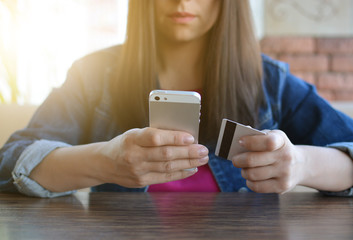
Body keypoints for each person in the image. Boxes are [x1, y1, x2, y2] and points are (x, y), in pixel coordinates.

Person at [1, 0, 353, 198]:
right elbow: (11, 162)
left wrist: (302, 164)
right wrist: (108, 161)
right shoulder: (93, 75)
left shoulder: (269, 81)